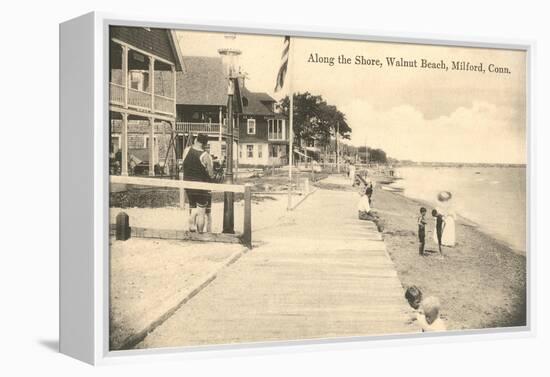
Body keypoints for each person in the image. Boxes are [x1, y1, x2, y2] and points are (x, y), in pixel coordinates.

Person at [182, 134, 214, 233]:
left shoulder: (187, 150)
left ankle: (192, 227)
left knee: (192, 207)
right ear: (205, 144)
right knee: (201, 212)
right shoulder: (205, 155)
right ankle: (200, 233)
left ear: (196, 140)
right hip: (200, 186)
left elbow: (185, 165)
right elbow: (211, 174)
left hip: (187, 184)